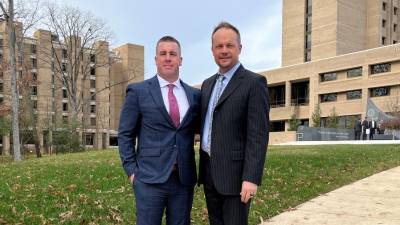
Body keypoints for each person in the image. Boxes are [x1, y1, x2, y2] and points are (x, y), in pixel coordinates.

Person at [118, 36, 200, 225]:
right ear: (156, 59)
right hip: (148, 180)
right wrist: (132, 172)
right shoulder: (138, 92)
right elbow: (125, 135)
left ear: (181, 59)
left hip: (183, 180)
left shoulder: (195, 95)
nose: (168, 58)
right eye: (163, 54)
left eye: (173, 54)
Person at [199, 22, 270, 225]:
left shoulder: (254, 83)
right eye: (219, 46)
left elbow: (258, 135)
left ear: (240, 48)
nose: (224, 51)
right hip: (210, 175)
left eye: (229, 45)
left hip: (237, 179)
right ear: (212, 50)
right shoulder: (207, 84)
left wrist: (251, 178)